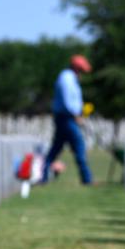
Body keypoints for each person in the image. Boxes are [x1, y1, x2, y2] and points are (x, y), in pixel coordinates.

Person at [41, 54, 93, 185]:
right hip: (67, 117)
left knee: (56, 147)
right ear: (76, 68)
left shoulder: (71, 79)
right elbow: (67, 100)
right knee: (79, 144)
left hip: (67, 117)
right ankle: (87, 179)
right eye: (81, 70)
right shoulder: (66, 79)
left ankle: (43, 175)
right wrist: (76, 115)